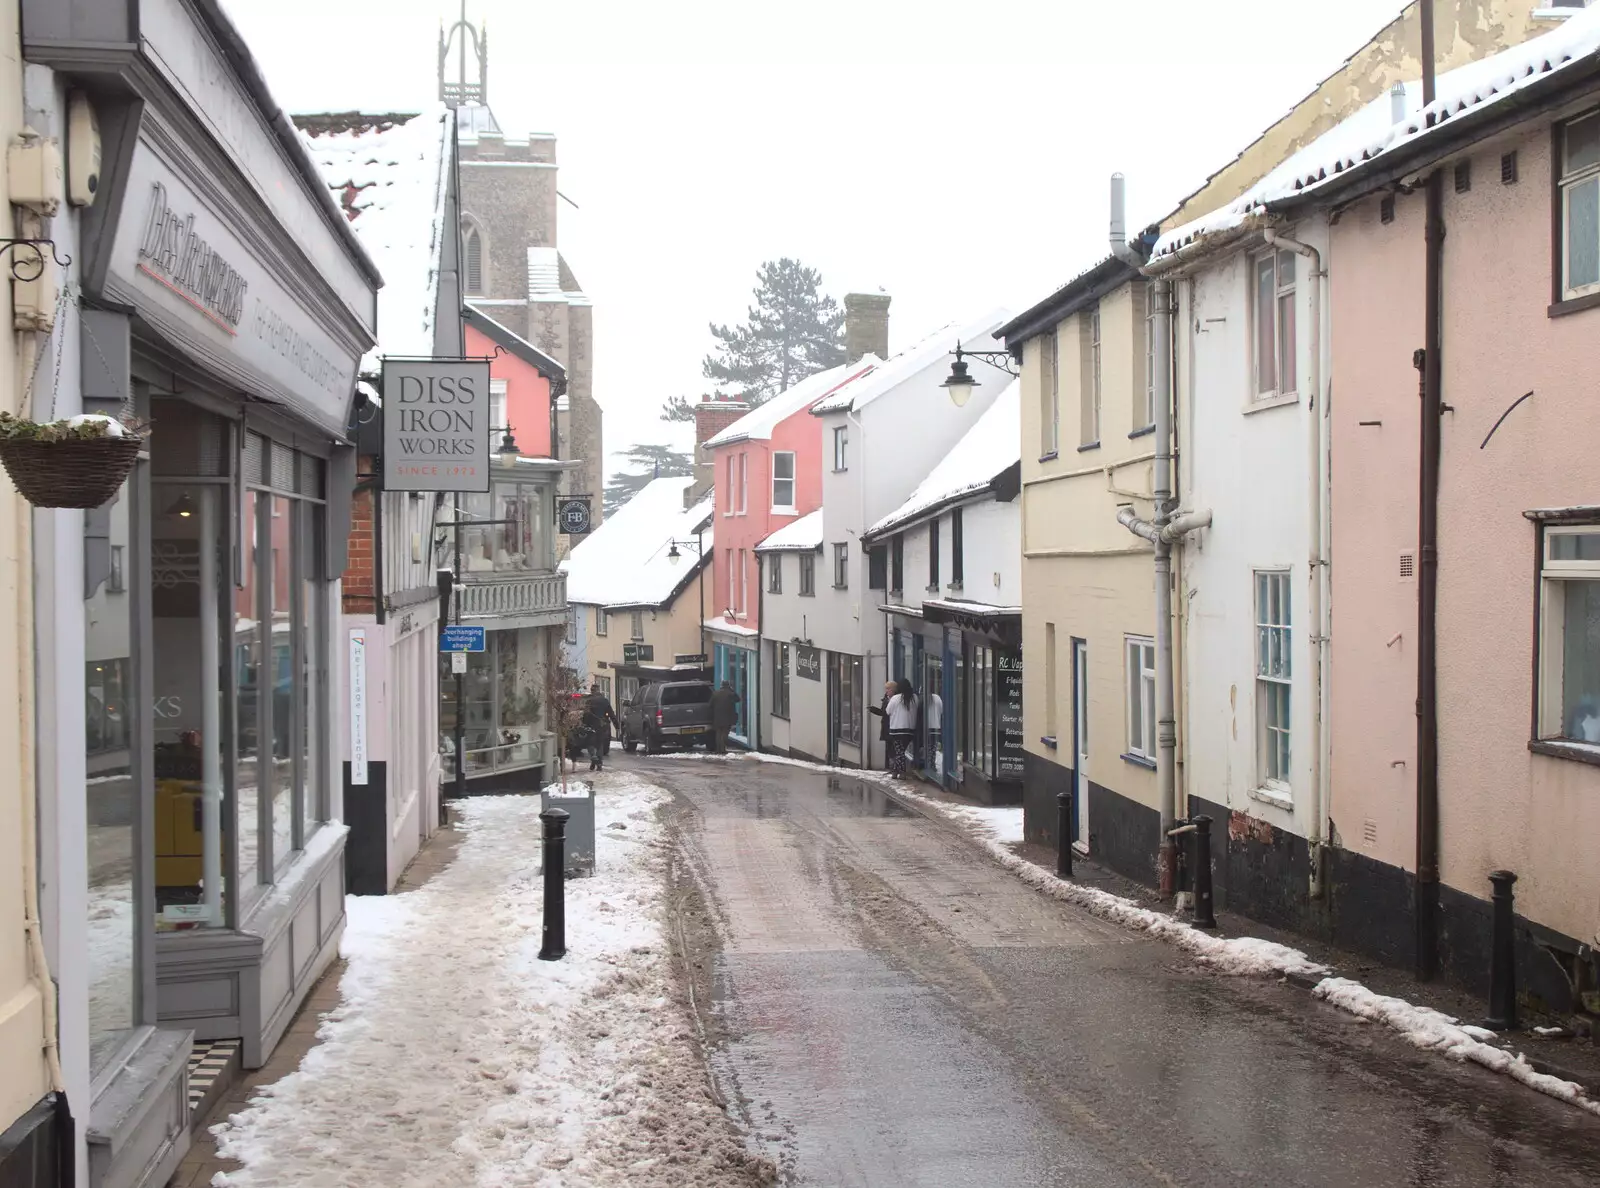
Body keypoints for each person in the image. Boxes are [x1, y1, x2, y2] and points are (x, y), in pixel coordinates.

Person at [885, 678, 918, 779]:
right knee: (901, 751)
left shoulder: (895, 698)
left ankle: (902, 772)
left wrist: (889, 700)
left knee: (899, 752)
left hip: (897, 729)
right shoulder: (915, 698)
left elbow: (887, 711)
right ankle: (895, 771)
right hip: (910, 729)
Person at [583, 684, 621, 772]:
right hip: (602, 726)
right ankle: (599, 764)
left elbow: (586, 714)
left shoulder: (589, 701)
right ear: (599, 690)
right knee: (600, 744)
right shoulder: (605, 701)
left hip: (591, 726)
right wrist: (617, 726)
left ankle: (593, 757)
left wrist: (584, 724)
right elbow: (611, 714)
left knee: (590, 744)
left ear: (592, 691)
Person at [709, 681, 741, 754]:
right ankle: (723, 749)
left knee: (718, 733)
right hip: (727, 716)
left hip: (717, 717)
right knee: (724, 733)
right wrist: (732, 690)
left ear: (721, 685)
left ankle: (718, 749)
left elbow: (710, 705)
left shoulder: (715, 693)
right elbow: (738, 699)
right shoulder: (730, 693)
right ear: (728, 686)